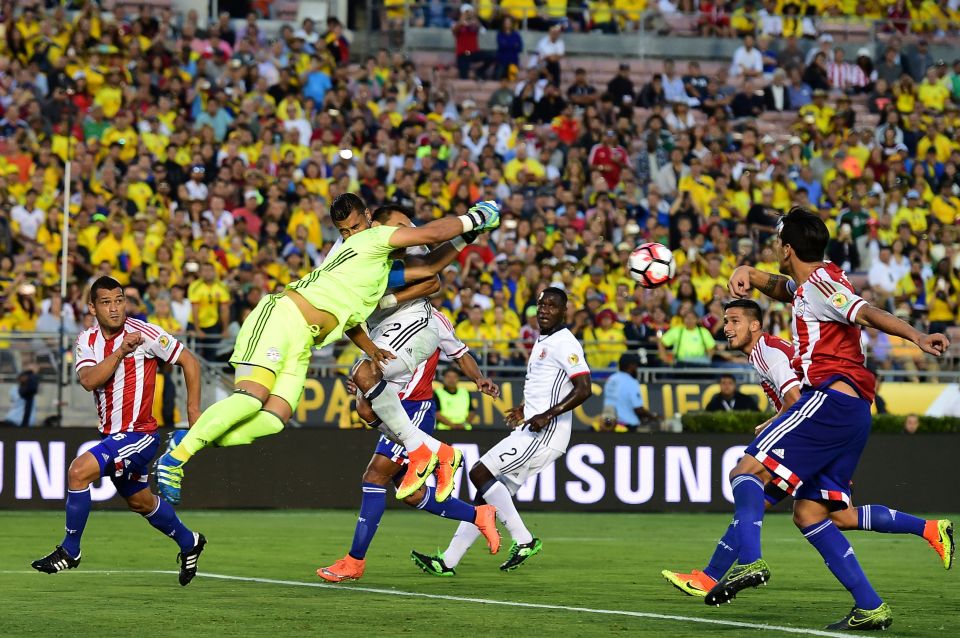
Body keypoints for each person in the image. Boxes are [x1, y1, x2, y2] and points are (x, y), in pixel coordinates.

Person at [155, 195, 502, 506]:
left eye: (354, 227)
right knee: (251, 398)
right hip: (281, 317)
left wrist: (469, 237)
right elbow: (428, 236)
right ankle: (175, 460)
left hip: (303, 339)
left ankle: (190, 440)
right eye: (345, 230)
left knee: (274, 420)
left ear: (364, 218)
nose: (351, 234)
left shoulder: (375, 270)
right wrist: (476, 218)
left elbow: (428, 269)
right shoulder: (372, 238)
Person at [714, 208, 951, 630]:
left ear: (787, 249)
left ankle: (749, 563)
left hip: (830, 399)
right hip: (852, 409)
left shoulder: (822, 286)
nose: (775, 248)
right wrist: (749, 271)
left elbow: (867, 312)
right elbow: (787, 288)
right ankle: (870, 605)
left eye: (777, 243)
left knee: (746, 469)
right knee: (811, 513)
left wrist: (915, 335)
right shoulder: (815, 282)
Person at [663, 298, 953, 599]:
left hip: (821, 421)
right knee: (829, 516)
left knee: (746, 473)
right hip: (838, 421)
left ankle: (725, 570)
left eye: (734, 320)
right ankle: (926, 534)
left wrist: (771, 423)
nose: (727, 327)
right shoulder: (765, 353)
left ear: (755, 325)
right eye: (725, 321)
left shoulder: (767, 351)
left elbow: (796, 397)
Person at [31, 277, 206, 585]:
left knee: (78, 471)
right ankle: (188, 541)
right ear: (92, 308)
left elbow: (189, 362)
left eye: (119, 300)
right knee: (140, 502)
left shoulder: (147, 333)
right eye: (106, 302)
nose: (114, 308)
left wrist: (193, 410)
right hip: (112, 436)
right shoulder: (87, 339)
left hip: (140, 435)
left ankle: (70, 550)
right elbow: (88, 380)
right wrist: (121, 352)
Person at [411, 287, 592, 575]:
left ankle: (523, 540)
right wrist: (524, 408)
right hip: (531, 428)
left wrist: (547, 414)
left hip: (545, 434)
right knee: (485, 499)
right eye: (540, 304)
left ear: (564, 311)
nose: (544, 310)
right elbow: (545, 386)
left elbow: (584, 389)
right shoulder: (544, 340)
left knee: (479, 473)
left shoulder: (565, 342)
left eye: (552, 306)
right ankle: (447, 561)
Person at [317, 310, 501, 583]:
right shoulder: (380, 314)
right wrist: (362, 383)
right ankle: (478, 514)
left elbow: (460, 353)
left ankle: (354, 561)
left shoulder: (434, 319)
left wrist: (477, 378)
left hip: (414, 408)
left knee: (374, 476)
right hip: (391, 406)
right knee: (411, 495)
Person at [602, 354, 657, 432]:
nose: (637, 369)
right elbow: (638, 409)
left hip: (611, 424)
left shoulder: (611, 379)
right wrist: (653, 416)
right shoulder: (631, 382)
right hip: (628, 426)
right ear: (631, 366)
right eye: (636, 365)